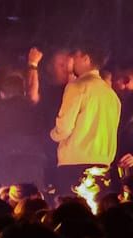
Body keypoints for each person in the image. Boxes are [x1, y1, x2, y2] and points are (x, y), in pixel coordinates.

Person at [50, 46, 121, 195]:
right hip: (104, 165)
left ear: (86, 58)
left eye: (75, 57)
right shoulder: (112, 95)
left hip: (75, 164)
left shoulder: (77, 87)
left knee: (73, 213)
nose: (72, 62)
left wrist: (52, 135)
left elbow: (64, 128)